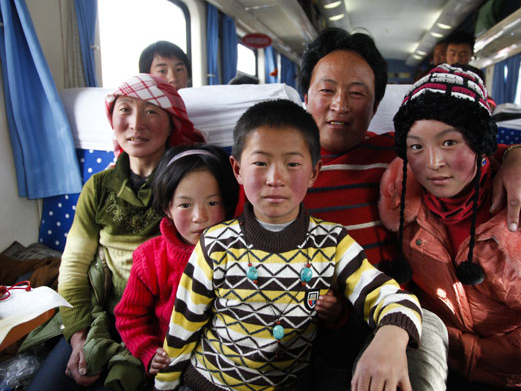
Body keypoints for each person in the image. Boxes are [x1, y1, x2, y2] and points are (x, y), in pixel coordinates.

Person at [297, 27, 521, 391]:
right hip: (306, 319)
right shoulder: (277, 167)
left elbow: (466, 156)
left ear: (375, 107)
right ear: (305, 94)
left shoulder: (399, 155)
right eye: (327, 90)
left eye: (357, 94)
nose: (340, 104)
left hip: (393, 314)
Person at [154, 99, 423, 391]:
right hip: (208, 384)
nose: (275, 179)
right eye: (260, 163)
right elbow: (183, 326)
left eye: (292, 164)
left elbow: (395, 299)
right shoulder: (215, 244)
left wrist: (391, 336)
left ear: (314, 173)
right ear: (237, 169)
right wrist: (164, 385)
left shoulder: (333, 244)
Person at [379, 63, 521, 390]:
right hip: (442, 362)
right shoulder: (400, 200)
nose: (433, 162)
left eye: (450, 142)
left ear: (480, 142)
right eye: (417, 146)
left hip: (513, 374)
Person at [28, 74, 205, 391]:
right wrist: (79, 336)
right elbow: (73, 265)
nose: (136, 124)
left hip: (165, 323)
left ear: (172, 123)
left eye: (151, 111)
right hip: (102, 317)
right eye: (125, 110)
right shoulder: (99, 187)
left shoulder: (191, 184)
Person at [114, 144, 239, 376]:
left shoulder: (241, 252)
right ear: (167, 208)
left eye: (213, 203)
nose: (199, 217)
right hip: (174, 362)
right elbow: (129, 317)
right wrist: (148, 351)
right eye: (185, 205)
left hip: (225, 363)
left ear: (228, 204)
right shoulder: (149, 258)